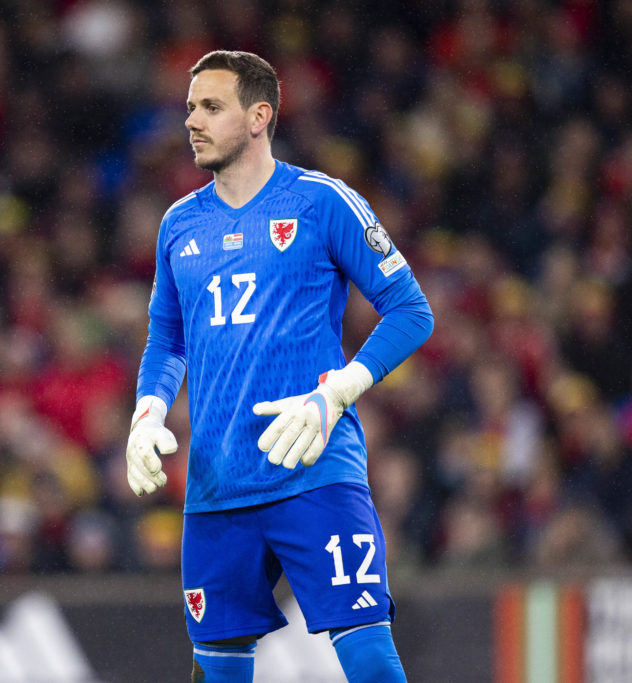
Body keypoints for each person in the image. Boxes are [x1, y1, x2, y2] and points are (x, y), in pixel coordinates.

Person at [126, 50, 434, 682]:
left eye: (212, 107)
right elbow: (166, 339)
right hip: (217, 487)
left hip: (313, 473)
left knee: (370, 656)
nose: (193, 121)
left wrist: (339, 391)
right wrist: (147, 411)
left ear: (259, 114)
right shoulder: (178, 224)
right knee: (218, 669)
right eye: (190, 108)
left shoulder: (322, 203)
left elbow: (410, 310)